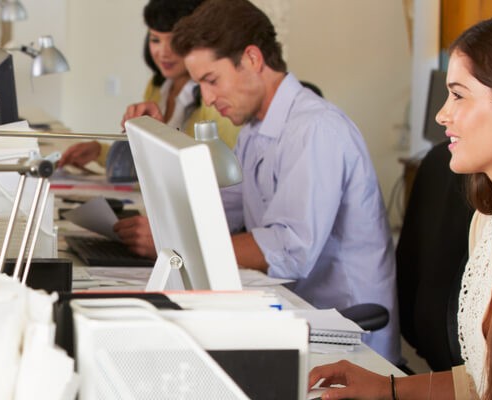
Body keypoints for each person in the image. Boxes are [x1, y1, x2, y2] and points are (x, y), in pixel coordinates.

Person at [115, 0, 400, 361]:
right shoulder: (256, 127)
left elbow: (289, 248)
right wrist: (154, 137)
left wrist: (177, 245)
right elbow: (221, 207)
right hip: (292, 312)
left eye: (211, 80)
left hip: (341, 336)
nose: (208, 98)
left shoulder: (315, 129)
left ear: (252, 59)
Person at [309, 11, 492, 399]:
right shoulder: (488, 223)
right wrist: (387, 388)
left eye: (458, 95)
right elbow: (488, 383)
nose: (443, 114)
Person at [56, 0, 238, 172]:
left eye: (174, 41)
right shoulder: (157, 86)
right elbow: (148, 160)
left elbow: (215, 172)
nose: (163, 53)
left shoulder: (214, 99)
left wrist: (160, 134)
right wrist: (100, 152)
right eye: (155, 40)